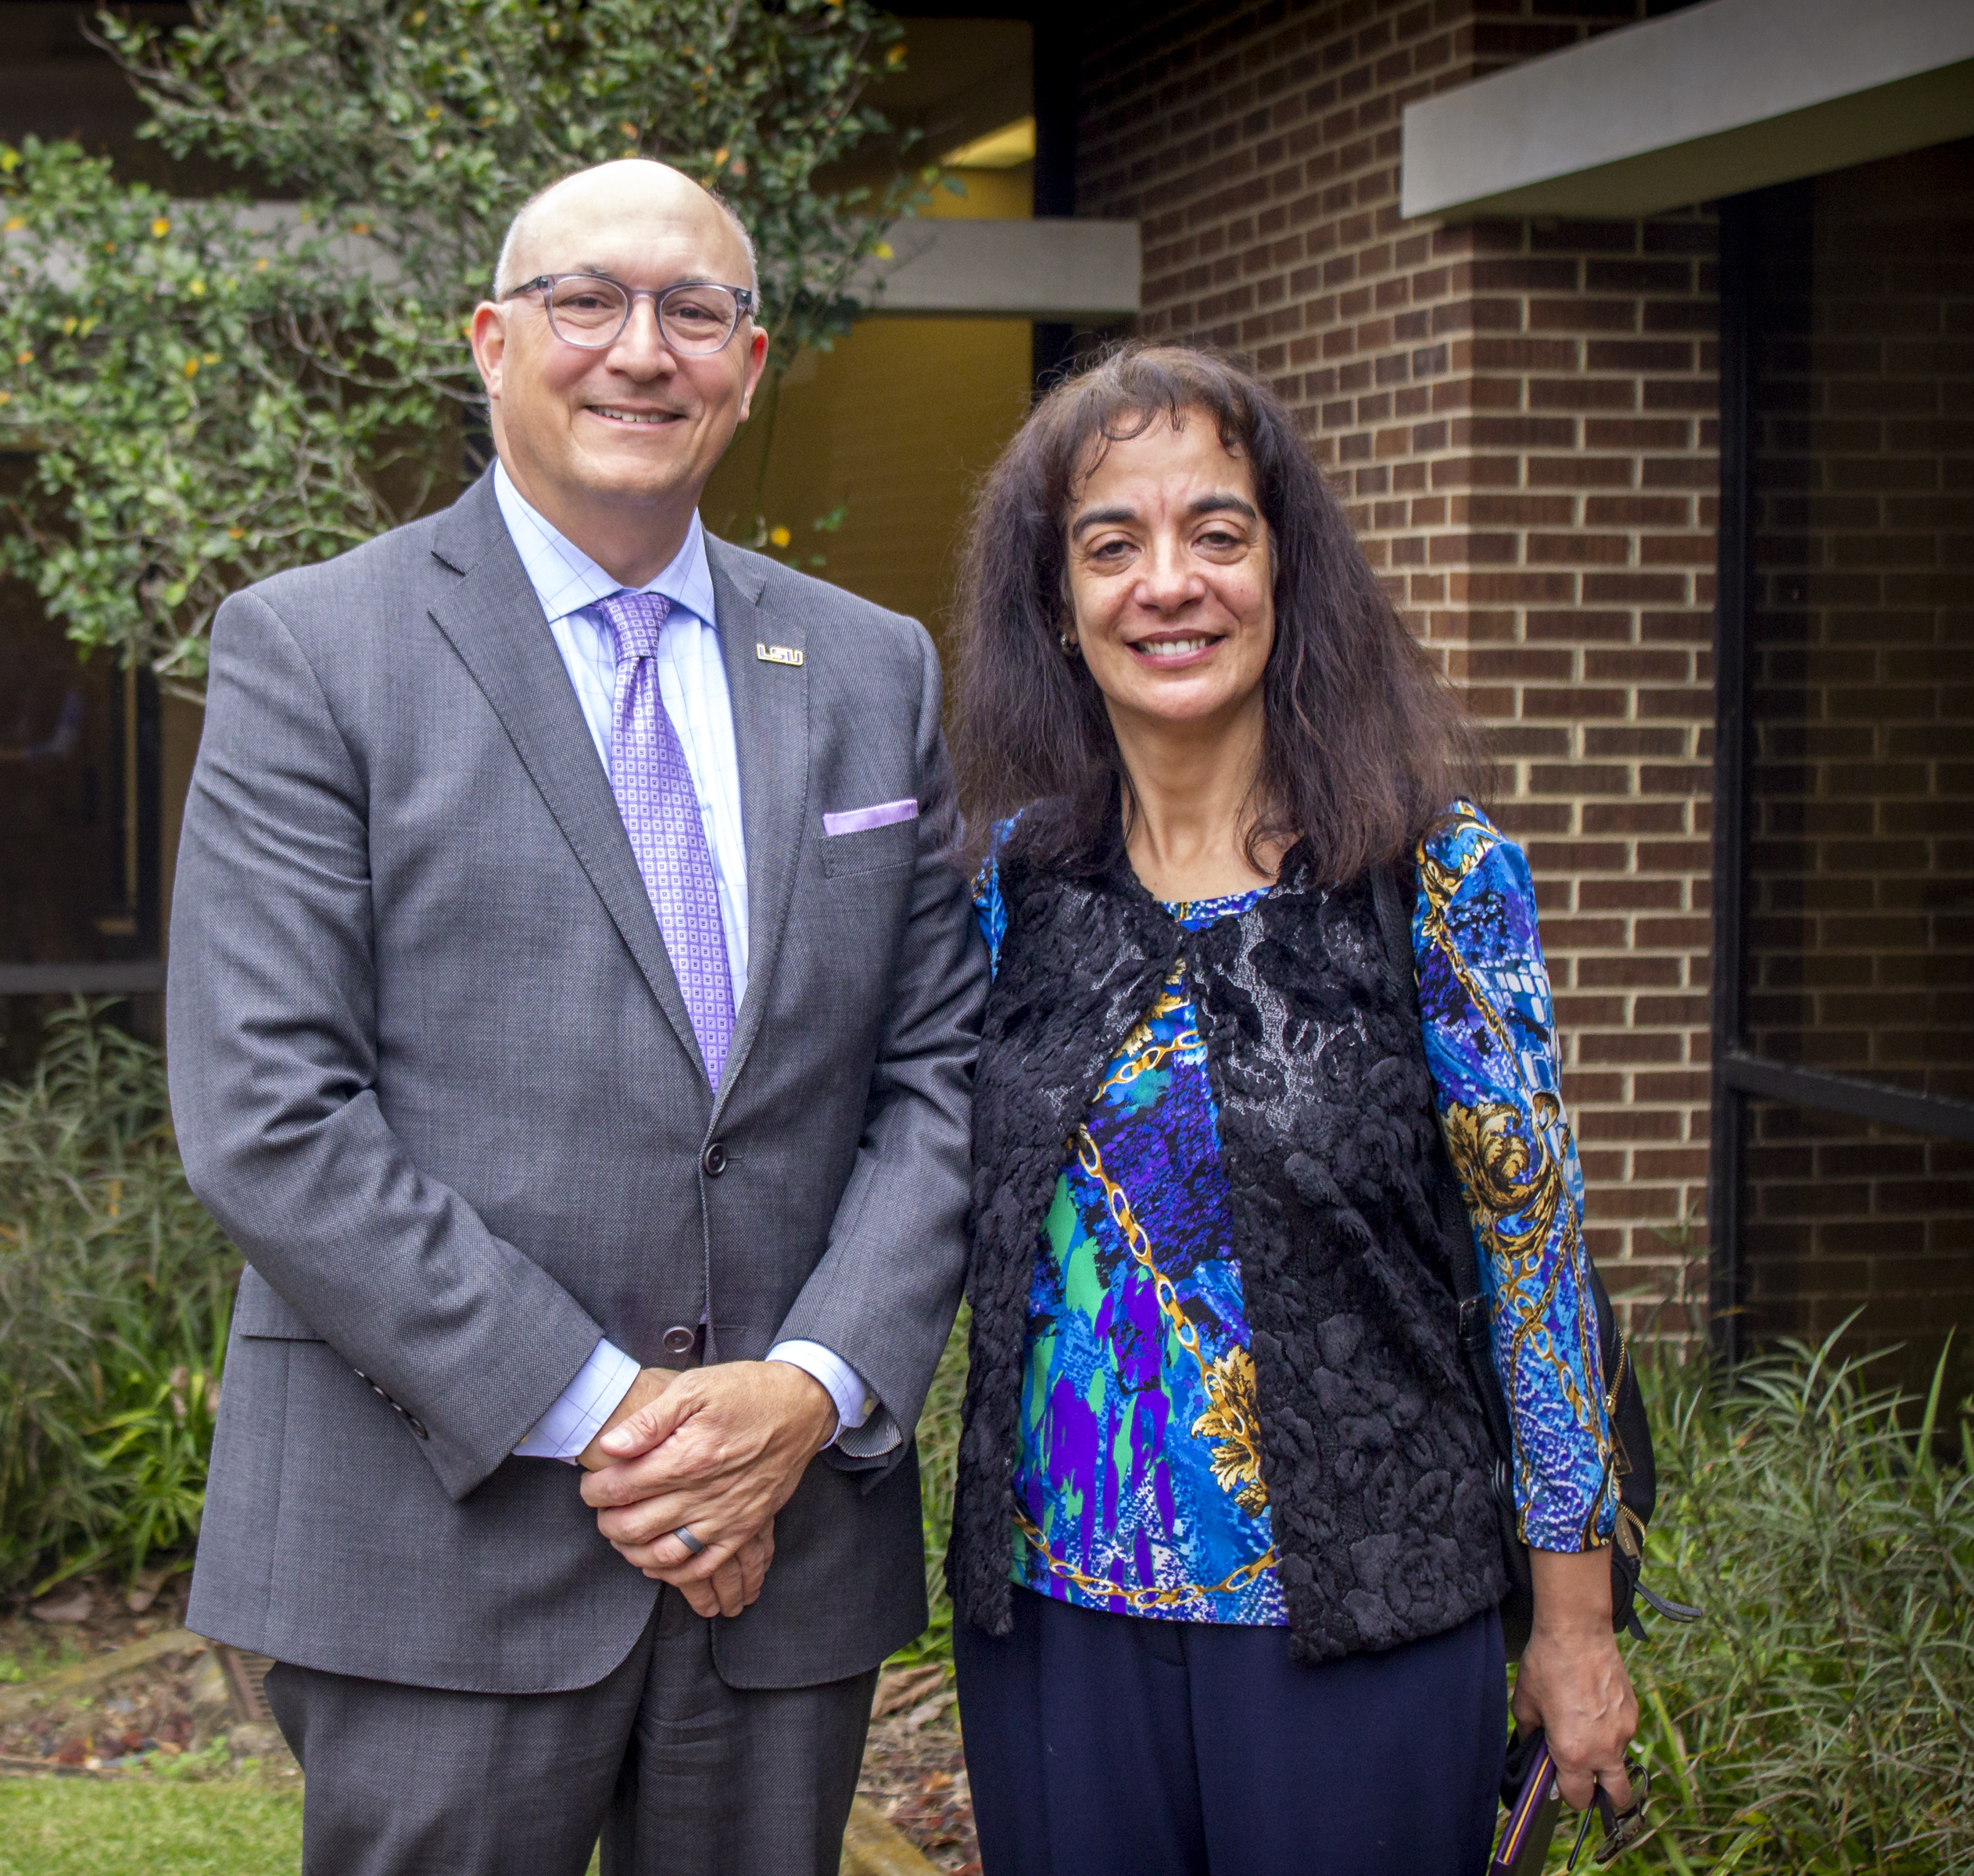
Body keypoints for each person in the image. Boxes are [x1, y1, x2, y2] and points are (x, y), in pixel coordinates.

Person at [164, 159, 980, 1874]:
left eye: (696, 311)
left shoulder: (870, 669)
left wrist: (810, 1394)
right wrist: (624, 1421)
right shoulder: (314, 651)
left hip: (785, 1555)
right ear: (490, 340)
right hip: (440, 1551)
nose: (641, 350)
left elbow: (937, 1077)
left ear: (751, 366)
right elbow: (267, 1109)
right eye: (586, 301)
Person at [942, 342, 1639, 1876]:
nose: (1167, 583)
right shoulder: (1006, 894)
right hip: (1055, 1622)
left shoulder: (1437, 879)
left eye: (1218, 532)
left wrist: (1577, 1627)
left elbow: (1537, 1278)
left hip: (1367, 1621)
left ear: (1284, 569)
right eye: (1110, 544)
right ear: (1056, 606)